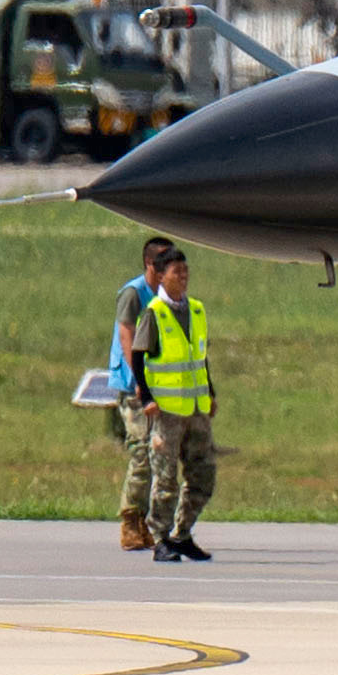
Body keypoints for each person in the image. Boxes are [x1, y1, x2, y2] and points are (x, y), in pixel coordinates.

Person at [113, 233, 216, 564]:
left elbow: (199, 357)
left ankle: (182, 533)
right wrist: (145, 397)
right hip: (166, 410)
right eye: (176, 272)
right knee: (164, 476)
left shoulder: (197, 310)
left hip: (195, 408)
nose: (183, 277)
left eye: (186, 272)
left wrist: (209, 392)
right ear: (160, 274)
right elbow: (138, 354)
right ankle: (159, 537)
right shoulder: (152, 312)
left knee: (203, 473)